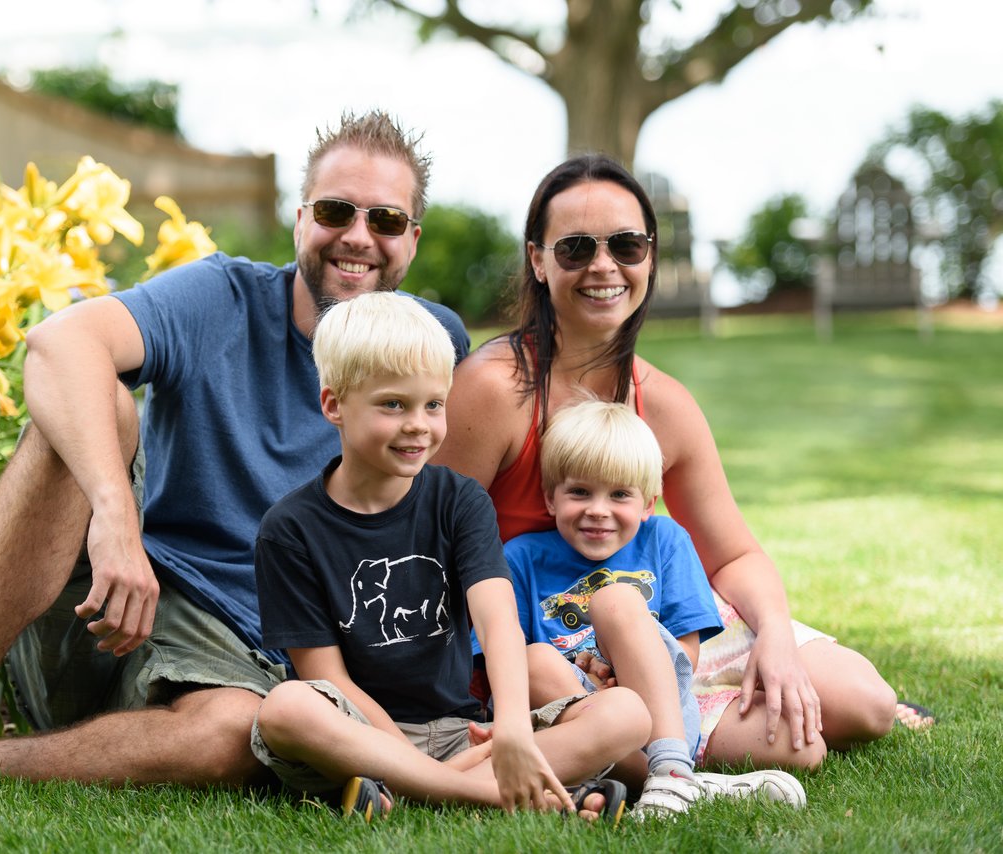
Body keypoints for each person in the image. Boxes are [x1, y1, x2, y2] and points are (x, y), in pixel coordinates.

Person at [0, 110, 473, 803]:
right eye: (335, 210)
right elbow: (57, 342)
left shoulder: (433, 345)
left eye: (383, 221)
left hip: (268, 674)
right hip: (124, 614)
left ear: (412, 238)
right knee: (92, 400)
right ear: (298, 219)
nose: (357, 237)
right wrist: (114, 515)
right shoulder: (220, 298)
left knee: (236, 733)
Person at [433, 154, 897, 773]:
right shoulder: (495, 391)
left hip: (662, 622)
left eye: (626, 245)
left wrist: (778, 639)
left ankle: (668, 722)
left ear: (649, 257)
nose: (604, 266)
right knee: (797, 743)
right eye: (575, 248)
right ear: (538, 261)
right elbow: (427, 550)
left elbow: (732, 556)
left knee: (866, 704)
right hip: (546, 638)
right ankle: (657, 743)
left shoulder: (666, 404)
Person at [250, 292, 648, 822]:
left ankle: (419, 792)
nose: (419, 424)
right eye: (394, 404)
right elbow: (329, 678)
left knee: (626, 714)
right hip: (360, 738)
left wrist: (509, 725)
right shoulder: (289, 530)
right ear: (334, 404)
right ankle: (503, 795)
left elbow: (496, 615)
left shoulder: (459, 500)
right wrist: (402, 755)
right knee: (286, 709)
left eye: (433, 404)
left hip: (466, 734)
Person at [510, 399, 806, 817]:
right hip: (579, 711)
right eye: (579, 492)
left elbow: (684, 655)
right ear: (551, 498)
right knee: (534, 658)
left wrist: (621, 674)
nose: (598, 510)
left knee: (616, 599)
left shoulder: (665, 540)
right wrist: (595, 687)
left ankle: (669, 767)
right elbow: (506, 667)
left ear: (648, 503)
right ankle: (680, 782)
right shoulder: (521, 557)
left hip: (658, 712)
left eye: (619, 494)